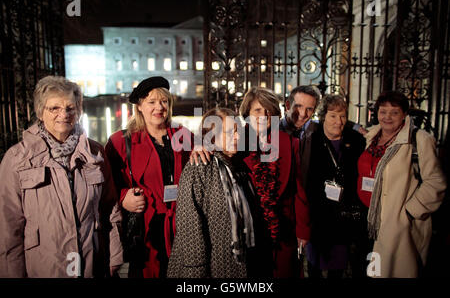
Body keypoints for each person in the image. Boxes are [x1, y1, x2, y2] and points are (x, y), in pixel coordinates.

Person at [0, 76, 123, 277]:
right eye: (54, 108)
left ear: (78, 111)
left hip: (92, 263)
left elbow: (110, 209)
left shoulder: (95, 153)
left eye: (70, 108)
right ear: (40, 112)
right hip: (43, 267)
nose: (63, 114)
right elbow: (8, 229)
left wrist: (115, 257)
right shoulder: (17, 159)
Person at [167, 108, 272, 278]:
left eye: (237, 131)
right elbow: (189, 225)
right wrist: (195, 271)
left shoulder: (239, 165)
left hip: (240, 265)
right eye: (230, 132)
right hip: (210, 268)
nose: (237, 137)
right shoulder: (199, 167)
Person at [105, 76, 192, 278]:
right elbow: (104, 184)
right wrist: (123, 197)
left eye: (163, 101)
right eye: (151, 102)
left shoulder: (183, 135)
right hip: (144, 229)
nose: (159, 107)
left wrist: (201, 149)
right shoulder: (120, 141)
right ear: (140, 107)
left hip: (181, 226)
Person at [357, 91, 446, 277]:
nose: (387, 117)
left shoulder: (419, 140)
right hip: (368, 220)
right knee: (370, 270)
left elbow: (436, 181)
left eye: (394, 112)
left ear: (404, 114)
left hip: (397, 222)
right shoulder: (370, 136)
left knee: (392, 271)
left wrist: (409, 212)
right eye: (383, 112)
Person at [238, 87, 310, 277]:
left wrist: (302, 230)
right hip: (248, 231)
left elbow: (298, 189)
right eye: (257, 110)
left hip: (283, 230)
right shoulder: (234, 142)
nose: (264, 115)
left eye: (269, 111)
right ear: (247, 114)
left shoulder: (290, 143)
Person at [305, 94, 368, 278]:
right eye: (333, 115)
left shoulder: (356, 140)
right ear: (324, 116)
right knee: (314, 265)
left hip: (343, 215)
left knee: (338, 267)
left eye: (342, 116)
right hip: (317, 214)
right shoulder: (311, 140)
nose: (338, 121)